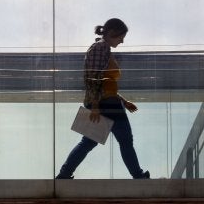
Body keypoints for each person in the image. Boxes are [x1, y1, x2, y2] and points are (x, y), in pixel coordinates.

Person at [56, 18, 150, 179]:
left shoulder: (102, 48)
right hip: (105, 104)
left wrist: (123, 101)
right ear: (112, 32)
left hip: (105, 102)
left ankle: (64, 174)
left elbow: (105, 82)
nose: (122, 41)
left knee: (89, 142)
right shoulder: (100, 48)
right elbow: (93, 78)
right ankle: (138, 175)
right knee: (125, 140)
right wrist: (95, 106)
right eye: (121, 37)